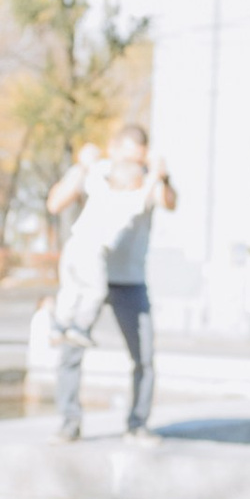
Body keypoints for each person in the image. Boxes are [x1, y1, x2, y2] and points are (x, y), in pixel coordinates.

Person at [48, 122, 177, 439]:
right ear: (113, 149)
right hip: (90, 273)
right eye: (129, 157)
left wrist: (162, 175)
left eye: (140, 159)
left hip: (129, 280)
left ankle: (137, 424)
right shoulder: (97, 174)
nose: (134, 165)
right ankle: (69, 423)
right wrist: (81, 165)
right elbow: (55, 203)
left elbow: (170, 202)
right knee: (71, 349)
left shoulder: (146, 179)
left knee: (143, 357)